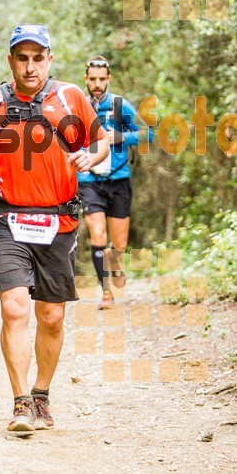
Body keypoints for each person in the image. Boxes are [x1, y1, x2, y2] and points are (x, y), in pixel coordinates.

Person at [0, 25, 108, 432]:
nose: (30, 66)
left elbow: (101, 142)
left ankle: (41, 396)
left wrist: (90, 158)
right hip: (6, 219)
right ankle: (20, 402)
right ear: (11, 61)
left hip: (59, 220)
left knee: (52, 316)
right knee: (13, 307)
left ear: (49, 60)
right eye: (22, 58)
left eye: (37, 58)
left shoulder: (71, 96)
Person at [78, 55, 153, 309]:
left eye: (102, 79)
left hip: (119, 180)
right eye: (93, 79)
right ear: (86, 79)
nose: (97, 84)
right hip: (88, 180)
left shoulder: (120, 105)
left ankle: (115, 261)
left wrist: (121, 137)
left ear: (108, 80)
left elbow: (148, 134)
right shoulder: (78, 105)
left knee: (118, 245)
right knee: (97, 233)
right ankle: (106, 293)